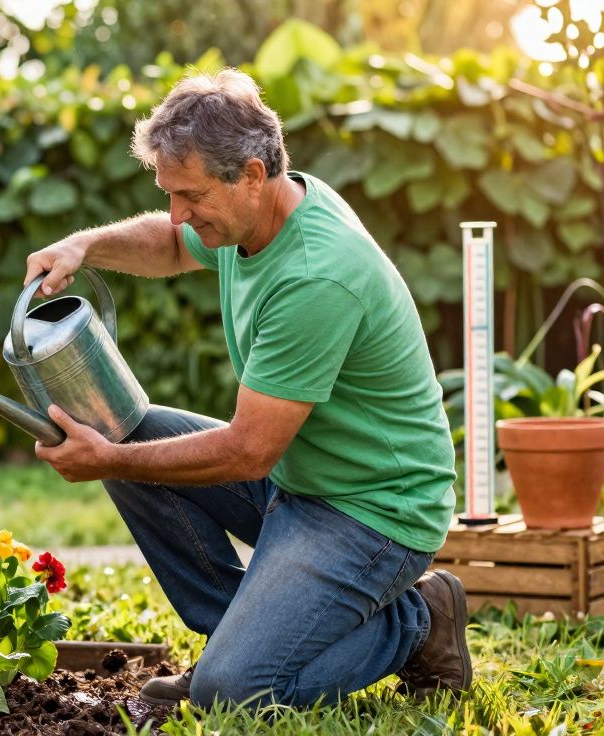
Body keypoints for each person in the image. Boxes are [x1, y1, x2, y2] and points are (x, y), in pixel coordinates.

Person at [24, 68, 471, 709]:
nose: (179, 213)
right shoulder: (251, 218)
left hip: (373, 513)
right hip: (302, 480)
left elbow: (246, 452)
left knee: (231, 693)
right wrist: (83, 246)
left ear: (254, 175)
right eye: (169, 193)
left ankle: (418, 621)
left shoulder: (315, 276)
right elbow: (171, 245)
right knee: (124, 426)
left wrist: (108, 461)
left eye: (191, 196)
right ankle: (248, 631)